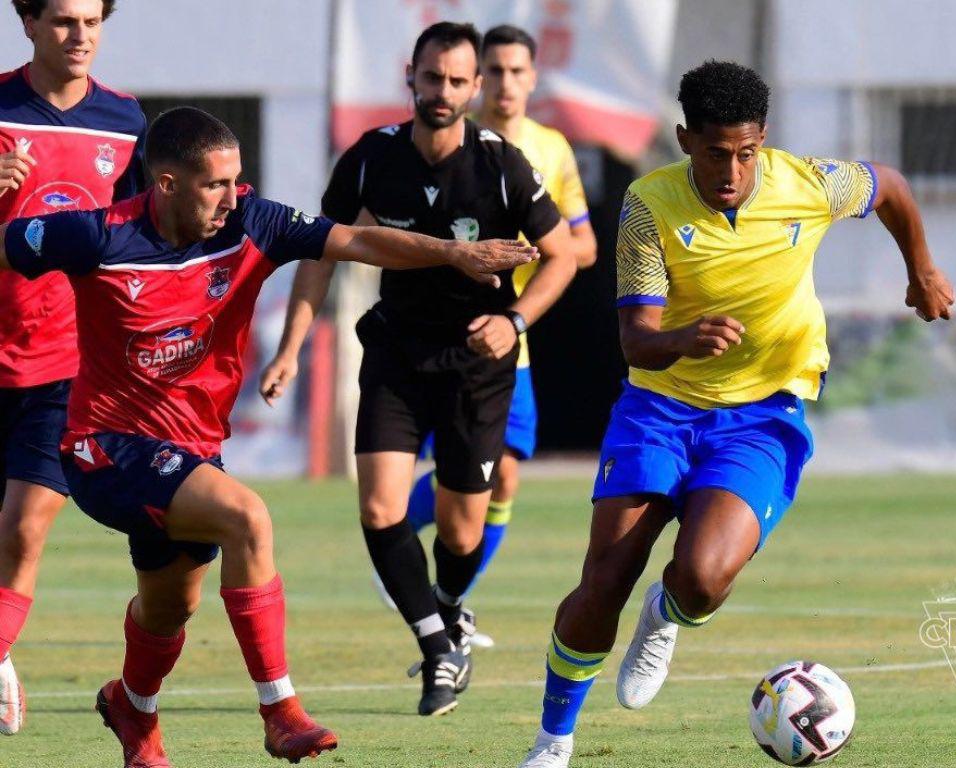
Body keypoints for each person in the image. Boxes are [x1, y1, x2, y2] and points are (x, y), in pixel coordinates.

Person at [0, 106, 535, 767]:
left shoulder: (253, 223)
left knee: (170, 608)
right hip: (103, 446)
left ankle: (132, 709)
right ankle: (280, 711)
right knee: (248, 517)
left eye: (236, 180)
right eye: (215, 184)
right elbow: (8, 246)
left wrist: (454, 253)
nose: (233, 197)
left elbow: (358, 241)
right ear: (164, 183)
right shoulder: (94, 236)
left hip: (190, 448)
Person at [516, 60, 955, 767]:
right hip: (660, 408)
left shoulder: (808, 184)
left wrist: (921, 269)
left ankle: (666, 616)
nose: (732, 169)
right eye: (716, 152)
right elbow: (636, 341)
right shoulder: (647, 205)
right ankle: (553, 741)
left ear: (764, 141)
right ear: (687, 139)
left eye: (746, 152)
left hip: (761, 416)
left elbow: (892, 186)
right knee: (603, 581)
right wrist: (683, 340)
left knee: (700, 579)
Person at [260, 21, 576, 717]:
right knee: (379, 506)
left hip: (477, 365)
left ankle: (451, 607)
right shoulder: (372, 158)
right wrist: (290, 347)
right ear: (412, 75)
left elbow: (562, 256)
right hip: (398, 354)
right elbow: (320, 251)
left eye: (458, 81)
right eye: (433, 77)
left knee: (463, 534)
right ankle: (438, 647)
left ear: (475, 87)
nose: (444, 91)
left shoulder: (502, 165)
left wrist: (515, 320)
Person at [393, 24, 598, 649]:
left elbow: (583, 245)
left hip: (513, 340)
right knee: (459, 475)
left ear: (533, 78)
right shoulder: (452, 141)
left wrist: (536, 245)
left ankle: (449, 600)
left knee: (501, 478)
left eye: (518, 71)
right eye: (497, 71)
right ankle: (394, 549)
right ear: (477, 79)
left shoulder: (551, 149)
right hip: (436, 340)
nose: (507, 84)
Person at [0, 0, 145, 735]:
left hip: (65, 363)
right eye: (62, 20)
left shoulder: (125, 121)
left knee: (25, 528)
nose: (80, 35)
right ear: (26, 22)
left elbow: (147, 234)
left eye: (92, 20)